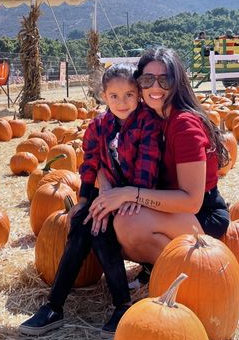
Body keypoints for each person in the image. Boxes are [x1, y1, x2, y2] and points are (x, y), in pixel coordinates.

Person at [19, 63, 163, 336]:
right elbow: (90, 164)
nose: (122, 102)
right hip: (107, 192)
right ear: (103, 96)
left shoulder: (147, 123)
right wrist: (85, 200)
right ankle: (54, 306)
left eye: (130, 95)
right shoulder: (98, 125)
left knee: (101, 228)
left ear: (139, 94)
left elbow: (149, 164)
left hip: (137, 194)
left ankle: (121, 304)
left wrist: (125, 197)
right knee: (85, 226)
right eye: (114, 96)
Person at [86, 47, 230, 282]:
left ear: (177, 82)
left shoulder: (184, 125)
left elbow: (192, 202)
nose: (155, 87)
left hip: (200, 214)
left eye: (165, 79)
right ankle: (162, 267)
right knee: (105, 226)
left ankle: (195, 277)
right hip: (166, 207)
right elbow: (104, 156)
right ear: (138, 84)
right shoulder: (145, 117)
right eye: (147, 79)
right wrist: (106, 189)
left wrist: (131, 194)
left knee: (127, 224)